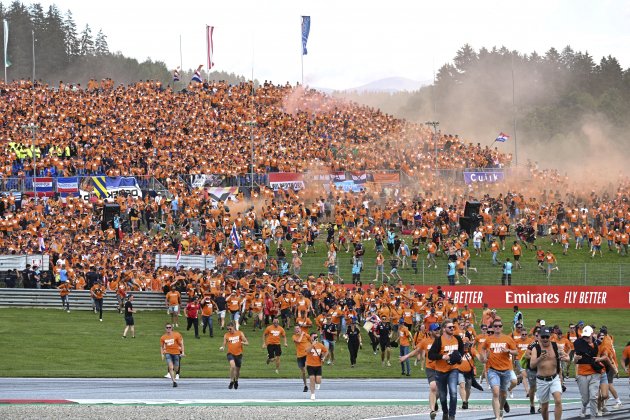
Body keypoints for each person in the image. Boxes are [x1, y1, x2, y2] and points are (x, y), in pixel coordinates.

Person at [481, 317, 518, 420]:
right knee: (496, 393)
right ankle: (497, 417)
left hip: (506, 370)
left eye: (499, 326)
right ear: (493, 327)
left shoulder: (508, 339)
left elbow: (516, 352)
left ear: (502, 327)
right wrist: (484, 357)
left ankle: (501, 408)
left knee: (504, 393)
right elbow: (483, 349)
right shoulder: (489, 339)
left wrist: (508, 351)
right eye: (495, 326)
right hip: (493, 370)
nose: (497, 328)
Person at [529, 326, 570, 420]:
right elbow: (532, 365)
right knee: (544, 407)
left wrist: (564, 358)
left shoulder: (556, 346)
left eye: (547, 337)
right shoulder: (536, 348)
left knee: (558, 401)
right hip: (541, 380)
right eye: (543, 337)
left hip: (554, 378)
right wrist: (540, 358)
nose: (545, 339)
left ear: (550, 336)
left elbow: (567, 358)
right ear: (539, 337)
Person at [428, 319, 464, 420]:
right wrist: (442, 357)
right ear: (444, 329)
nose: (452, 328)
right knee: (443, 396)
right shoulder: (439, 340)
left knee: (453, 392)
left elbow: (461, 350)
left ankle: (452, 415)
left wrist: (460, 356)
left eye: (453, 327)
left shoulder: (457, 338)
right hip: (440, 371)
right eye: (450, 327)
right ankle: (445, 412)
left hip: (453, 369)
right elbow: (431, 355)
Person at [574, 325, 606, 418]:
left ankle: (593, 417)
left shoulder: (598, 344)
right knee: (585, 399)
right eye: (584, 336)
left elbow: (606, 356)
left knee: (593, 397)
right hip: (582, 374)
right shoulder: (579, 344)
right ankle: (583, 407)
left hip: (595, 373)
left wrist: (600, 358)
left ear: (592, 334)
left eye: (587, 336)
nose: (586, 338)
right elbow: (575, 361)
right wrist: (575, 359)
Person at [220, 322, 249, 390]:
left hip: (239, 354)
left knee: (237, 370)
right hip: (230, 353)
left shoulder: (240, 333)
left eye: (230, 329)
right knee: (232, 366)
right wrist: (223, 347)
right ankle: (231, 381)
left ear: (233, 327)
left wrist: (243, 343)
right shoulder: (226, 335)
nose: (229, 330)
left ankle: (236, 381)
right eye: (227, 329)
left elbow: (247, 342)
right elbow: (224, 343)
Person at [160, 323, 184, 387]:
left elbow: (181, 344)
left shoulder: (176, 335)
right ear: (165, 329)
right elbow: (161, 347)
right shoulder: (163, 337)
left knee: (176, 368)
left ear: (172, 328)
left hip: (176, 353)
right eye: (167, 327)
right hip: (168, 353)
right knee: (170, 367)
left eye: (169, 327)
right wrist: (162, 354)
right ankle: (174, 381)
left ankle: (176, 373)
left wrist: (183, 352)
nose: (168, 329)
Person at [306, 332, 328, 400]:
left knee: (318, 380)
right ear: (311, 338)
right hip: (310, 365)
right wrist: (312, 345)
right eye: (314, 337)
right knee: (312, 379)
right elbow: (307, 351)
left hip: (318, 365)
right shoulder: (308, 344)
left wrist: (324, 357)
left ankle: (317, 383)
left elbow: (326, 351)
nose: (315, 338)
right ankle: (312, 394)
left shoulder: (320, 345)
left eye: (316, 337)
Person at [292, 325, 310, 392]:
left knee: (305, 368)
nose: (297, 330)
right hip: (299, 356)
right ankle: (305, 385)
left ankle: (313, 379)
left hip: (306, 354)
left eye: (298, 328)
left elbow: (312, 341)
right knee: (303, 372)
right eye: (295, 329)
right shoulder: (294, 336)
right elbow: (298, 341)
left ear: (300, 329)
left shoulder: (306, 335)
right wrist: (302, 334)